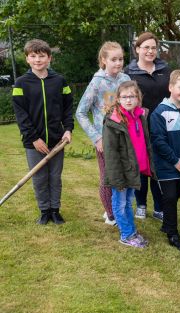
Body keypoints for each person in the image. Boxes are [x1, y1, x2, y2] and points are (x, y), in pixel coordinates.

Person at [12, 39, 73, 225]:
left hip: (57, 140)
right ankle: (44, 211)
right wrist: (33, 139)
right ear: (27, 59)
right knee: (39, 178)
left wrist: (68, 129)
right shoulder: (20, 84)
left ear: (49, 58)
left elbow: (68, 107)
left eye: (41, 56)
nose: (37, 60)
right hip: (33, 142)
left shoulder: (60, 81)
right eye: (33, 56)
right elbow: (21, 114)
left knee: (55, 177)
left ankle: (55, 210)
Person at [76, 41, 130, 226]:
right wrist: (96, 137)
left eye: (121, 59)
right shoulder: (97, 82)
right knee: (108, 177)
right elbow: (80, 112)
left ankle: (121, 209)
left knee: (123, 176)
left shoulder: (125, 80)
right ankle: (111, 214)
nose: (118, 63)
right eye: (113, 59)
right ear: (103, 60)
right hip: (105, 140)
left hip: (125, 139)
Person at [124, 32, 171, 221]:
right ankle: (141, 204)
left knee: (158, 167)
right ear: (137, 50)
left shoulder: (165, 70)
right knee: (141, 166)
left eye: (153, 47)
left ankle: (159, 207)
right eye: (146, 47)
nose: (150, 51)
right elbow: (123, 97)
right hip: (138, 127)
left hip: (162, 126)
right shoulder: (128, 72)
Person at [151, 70, 180, 252]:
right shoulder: (160, 113)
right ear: (170, 87)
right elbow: (158, 141)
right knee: (170, 197)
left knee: (176, 195)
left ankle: (166, 224)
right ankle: (172, 234)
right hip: (167, 166)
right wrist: (175, 161)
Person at [103, 81, 153, 248]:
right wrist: (116, 178)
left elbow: (145, 143)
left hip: (134, 169)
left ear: (138, 98)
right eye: (125, 97)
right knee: (120, 202)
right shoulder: (113, 121)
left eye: (132, 96)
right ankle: (126, 235)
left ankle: (131, 231)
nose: (129, 100)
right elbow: (111, 153)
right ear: (118, 99)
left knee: (129, 201)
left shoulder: (140, 116)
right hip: (121, 172)